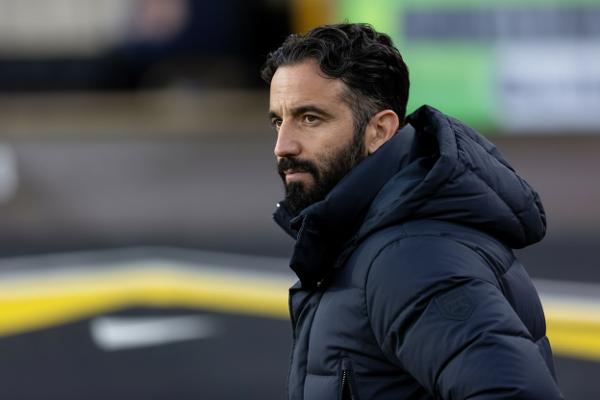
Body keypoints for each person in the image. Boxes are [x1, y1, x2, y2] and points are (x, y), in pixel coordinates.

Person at [261, 23, 563, 400]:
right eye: (279, 121)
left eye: (310, 118)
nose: (283, 145)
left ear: (379, 130)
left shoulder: (411, 260)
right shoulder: (365, 237)